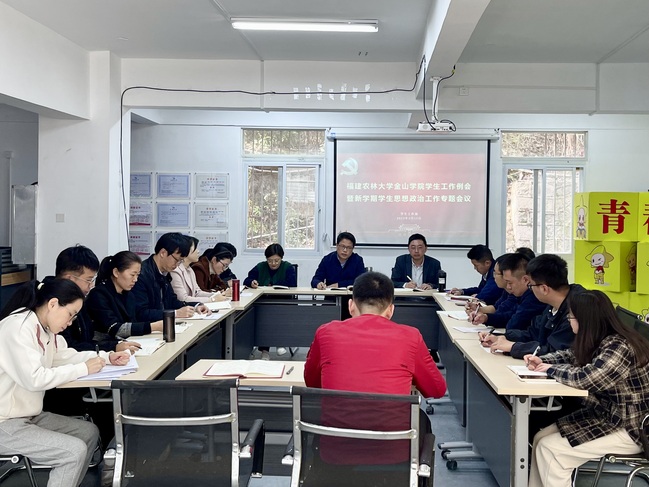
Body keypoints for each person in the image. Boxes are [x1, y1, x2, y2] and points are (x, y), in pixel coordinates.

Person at [304, 271, 446, 465]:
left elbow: (312, 383)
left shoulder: (326, 332)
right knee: (421, 419)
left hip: (335, 455)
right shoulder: (411, 336)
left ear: (351, 306)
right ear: (390, 310)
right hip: (394, 456)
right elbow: (436, 390)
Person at [0, 279, 130, 487]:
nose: (70, 322)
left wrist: (106, 358)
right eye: (70, 314)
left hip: (26, 416)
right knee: (72, 452)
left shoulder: (43, 327)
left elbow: (63, 357)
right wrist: (84, 368)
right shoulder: (17, 327)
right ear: (53, 304)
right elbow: (35, 379)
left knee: (88, 433)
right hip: (4, 422)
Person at [526, 290, 649, 487]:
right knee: (540, 439)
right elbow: (572, 355)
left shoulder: (620, 347)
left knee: (551, 451)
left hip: (631, 428)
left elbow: (587, 378)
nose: (569, 320)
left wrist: (550, 370)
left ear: (585, 320)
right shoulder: (601, 338)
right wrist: (543, 361)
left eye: (571, 316)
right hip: (607, 416)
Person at [479, 254, 585, 358]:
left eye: (530, 285)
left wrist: (513, 347)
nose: (530, 290)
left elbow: (554, 351)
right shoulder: (553, 304)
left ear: (544, 289)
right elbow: (533, 333)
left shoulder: (577, 309)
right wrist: (501, 338)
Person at [54, 245, 136, 354]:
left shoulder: (79, 299)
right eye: (88, 280)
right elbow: (69, 347)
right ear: (70, 279)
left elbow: (87, 339)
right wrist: (113, 347)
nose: (91, 285)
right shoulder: (55, 303)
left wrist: (115, 345)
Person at [85, 251, 163, 343]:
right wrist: (153, 327)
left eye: (137, 275)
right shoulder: (98, 295)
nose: (135, 279)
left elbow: (132, 322)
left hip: (127, 343)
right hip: (104, 345)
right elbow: (115, 329)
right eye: (132, 275)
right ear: (116, 272)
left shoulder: (129, 295)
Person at [131, 232, 209, 322]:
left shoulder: (164, 272)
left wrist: (195, 306)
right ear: (163, 253)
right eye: (177, 260)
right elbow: (141, 313)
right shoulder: (141, 274)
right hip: (150, 327)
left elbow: (172, 301)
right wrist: (175, 313)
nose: (177, 265)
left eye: (181, 261)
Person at [244, 243, 297, 360]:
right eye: (270, 261)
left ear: (281, 258)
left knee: (276, 314)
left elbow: (292, 283)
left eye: (276, 260)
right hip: (264, 302)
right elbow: (247, 280)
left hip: (282, 302)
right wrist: (252, 282)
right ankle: (265, 350)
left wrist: (273, 284)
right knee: (263, 315)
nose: (273, 263)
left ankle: (279, 342)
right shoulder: (260, 267)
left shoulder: (288, 267)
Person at [471, 252, 546, 330]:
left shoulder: (533, 298)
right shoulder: (521, 294)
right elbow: (508, 315)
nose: (508, 287)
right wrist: (486, 318)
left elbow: (514, 325)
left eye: (510, 283)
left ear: (525, 280)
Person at [170, 236, 225, 303]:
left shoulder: (189, 269)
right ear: (186, 251)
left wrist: (216, 295)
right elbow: (183, 298)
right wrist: (211, 300)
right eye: (195, 249)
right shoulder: (175, 270)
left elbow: (197, 292)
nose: (198, 251)